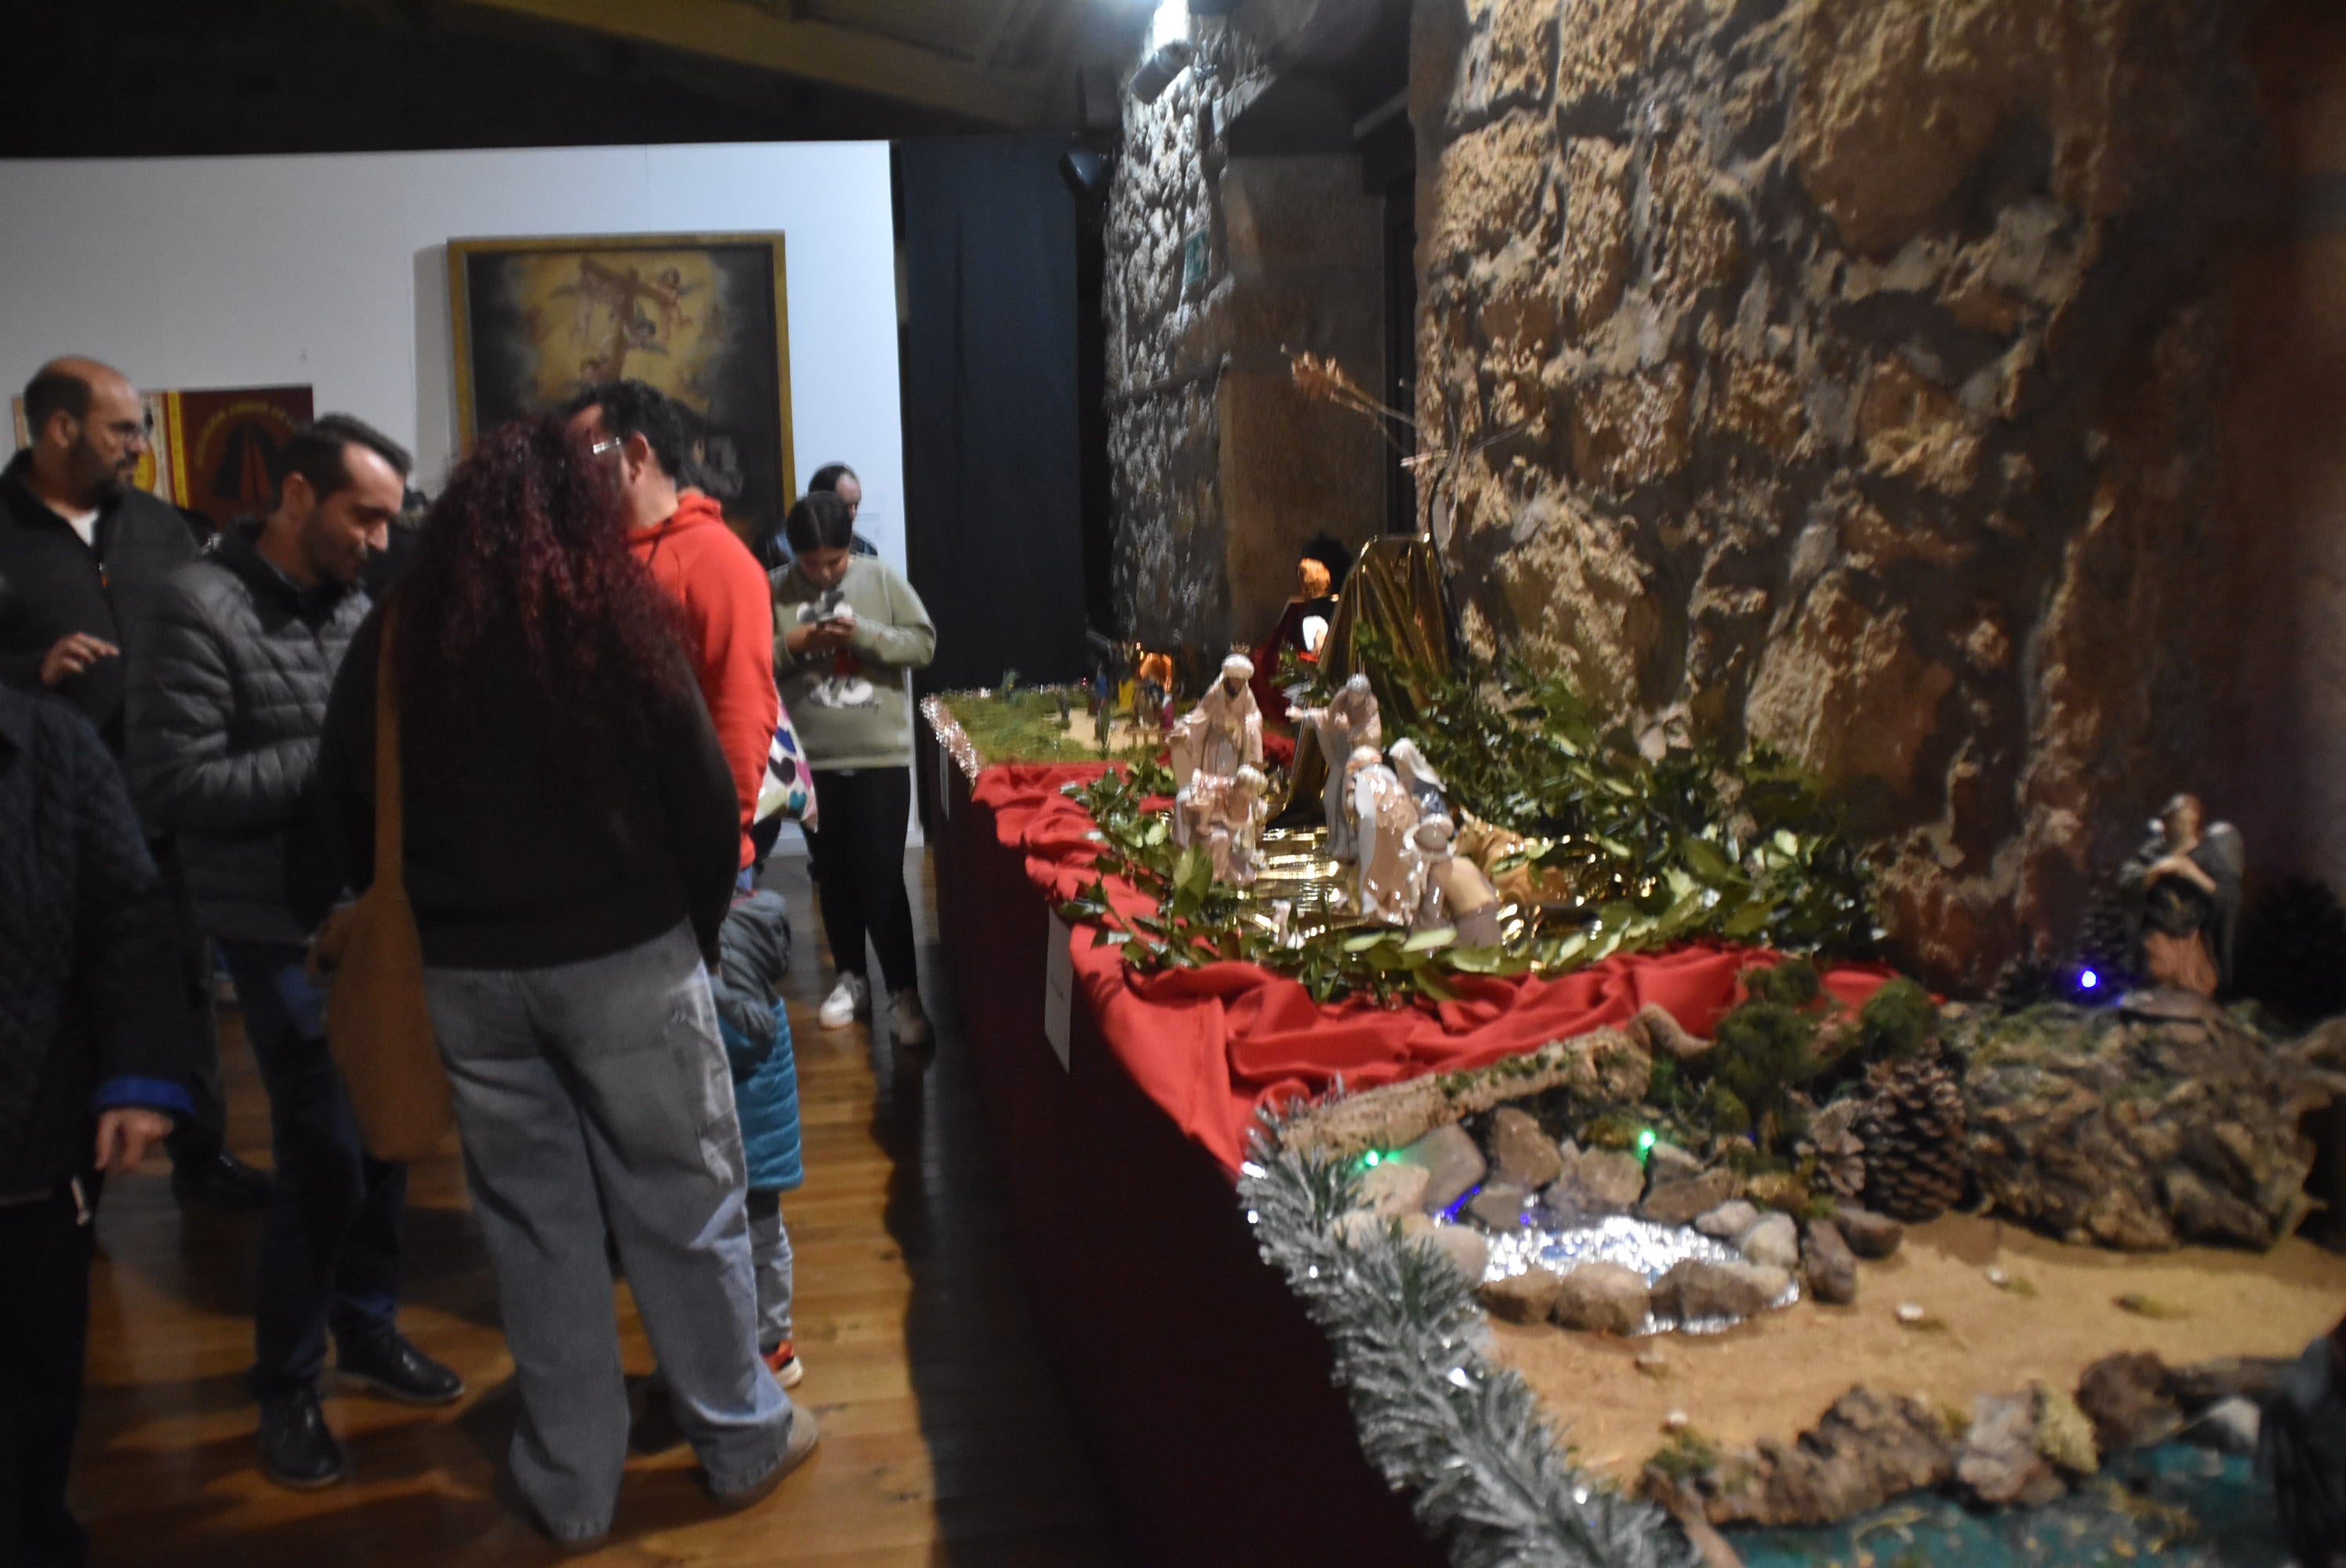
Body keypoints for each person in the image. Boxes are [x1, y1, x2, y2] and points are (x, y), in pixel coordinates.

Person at [313, 416, 813, 1548]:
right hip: (628, 960)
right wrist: (683, 937)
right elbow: (697, 794)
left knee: (534, 1232)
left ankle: (572, 1484)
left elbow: (345, 797)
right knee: (686, 1206)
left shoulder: (401, 630)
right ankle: (739, 1442)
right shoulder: (608, 613)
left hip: (470, 980)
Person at [125, 414, 461, 1490]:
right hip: (273, 924)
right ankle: (286, 1382)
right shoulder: (193, 605)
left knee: (388, 1122)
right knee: (322, 1149)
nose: (379, 536)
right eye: (363, 515)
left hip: (365, 914)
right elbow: (172, 786)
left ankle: (366, 1330)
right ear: (295, 497)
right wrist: (337, 765)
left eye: (389, 517)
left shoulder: (356, 599)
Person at [0, 356, 266, 1210]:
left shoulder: (161, 527)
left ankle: (202, 1147)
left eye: (142, 427)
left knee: (178, 971)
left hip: (158, 799)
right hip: (36, 814)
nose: (141, 446)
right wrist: (25, 667)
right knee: (53, 986)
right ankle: (60, 1173)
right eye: (123, 428)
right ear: (59, 429)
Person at [0, 684, 193, 1568]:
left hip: (31, 1128)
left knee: (38, 1367)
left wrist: (136, 1079)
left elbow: (129, 915)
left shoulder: (53, 747)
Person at [564, 381, 777, 880]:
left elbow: (741, 712)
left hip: (684, 861)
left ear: (636, 454)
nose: (569, 475)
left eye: (584, 454)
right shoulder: (586, 558)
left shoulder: (717, 561)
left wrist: (717, 842)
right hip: (604, 857)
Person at [772, 490, 936, 1044]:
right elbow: (749, 656)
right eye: (811, 563)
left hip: (880, 756)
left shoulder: (881, 578)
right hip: (811, 761)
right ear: (792, 554)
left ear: (850, 549)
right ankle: (851, 979)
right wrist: (794, 641)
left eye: (834, 562)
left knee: (882, 876)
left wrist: (862, 634)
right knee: (833, 875)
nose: (822, 574)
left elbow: (922, 645)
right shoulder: (773, 589)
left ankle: (904, 995)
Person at [757, 461, 878, 568]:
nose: (853, 514)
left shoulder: (866, 551)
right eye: (845, 506)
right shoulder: (776, 545)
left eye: (856, 505)